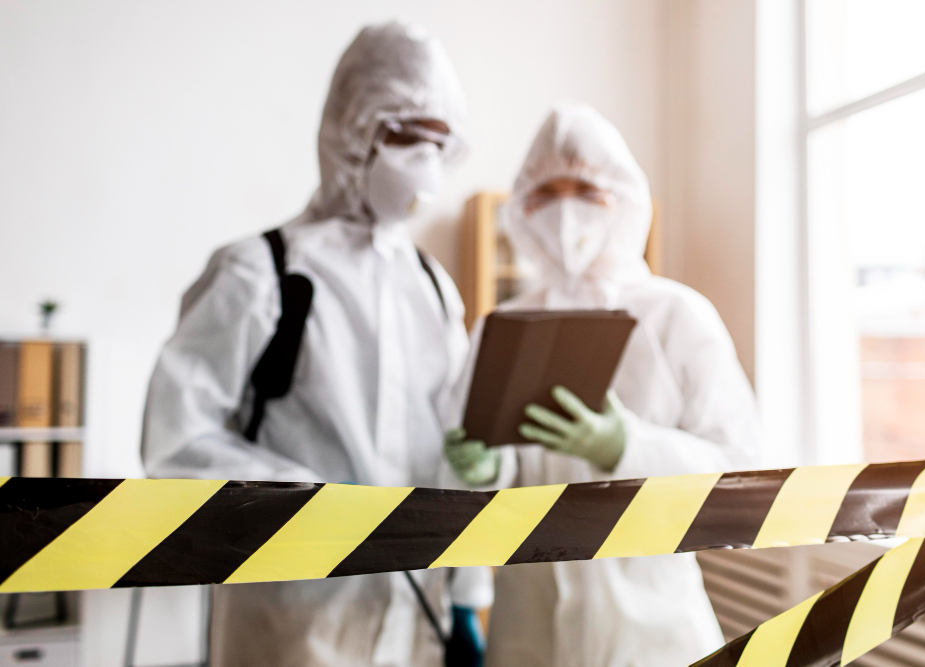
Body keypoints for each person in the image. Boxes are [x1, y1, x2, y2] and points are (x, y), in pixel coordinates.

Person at [142, 22, 489, 667]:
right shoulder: (261, 272)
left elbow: (451, 446)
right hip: (292, 617)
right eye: (406, 136)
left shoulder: (432, 286)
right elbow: (176, 441)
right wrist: (311, 502)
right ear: (351, 131)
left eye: (439, 143)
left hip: (417, 616)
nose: (425, 161)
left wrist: (468, 595)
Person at [443, 103, 762, 667]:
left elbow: (741, 477)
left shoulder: (677, 316)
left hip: (653, 631)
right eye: (547, 192)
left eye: (587, 191)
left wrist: (627, 447)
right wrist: (482, 469)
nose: (566, 211)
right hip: (528, 630)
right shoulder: (502, 326)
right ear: (523, 207)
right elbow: (474, 487)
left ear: (625, 200)